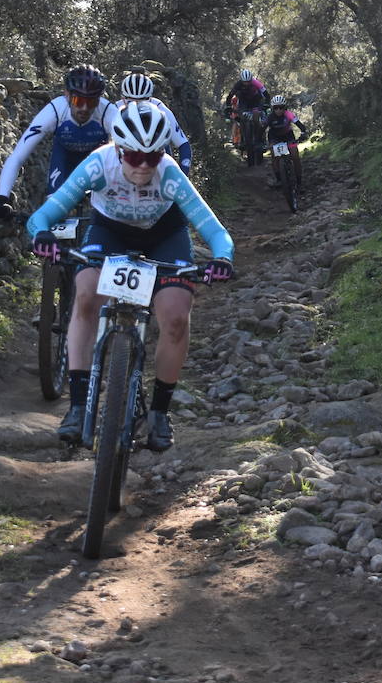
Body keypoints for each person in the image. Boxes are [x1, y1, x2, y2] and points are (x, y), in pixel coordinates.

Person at [27, 101, 235, 450]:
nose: (142, 166)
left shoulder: (169, 173)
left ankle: (158, 413)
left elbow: (216, 232)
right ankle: (77, 406)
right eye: (133, 156)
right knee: (87, 295)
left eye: (152, 157)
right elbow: (44, 215)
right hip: (110, 232)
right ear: (118, 149)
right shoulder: (99, 163)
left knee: (175, 316)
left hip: (164, 236)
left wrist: (222, 258)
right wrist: (43, 235)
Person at [0, 64, 115, 218]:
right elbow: (18, 156)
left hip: (97, 160)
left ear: (99, 100)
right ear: (67, 95)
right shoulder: (55, 110)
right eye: (78, 100)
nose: (84, 108)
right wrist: (2, 198)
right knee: (54, 210)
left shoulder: (108, 112)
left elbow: (129, 151)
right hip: (64, 158)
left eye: (91, 102)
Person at [117, 72, 194, 176]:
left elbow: (183, 145)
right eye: (131, 101)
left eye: (142, 101)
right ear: (123, 100)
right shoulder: (115, 110)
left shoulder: (160, 108)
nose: (137, 106)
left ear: (150, 99)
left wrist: (182, 177)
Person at [262, 95, 309, 190]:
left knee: (295, 156)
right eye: (276, 108)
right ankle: (279, 179)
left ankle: (299, 183)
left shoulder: (289, 114)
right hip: (274, 137)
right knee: (275, 157)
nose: (278, 110)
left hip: (288, 136)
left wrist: (303, 133)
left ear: (285, 107)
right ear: (272, 108)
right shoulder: (270, 117)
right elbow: (261, 129)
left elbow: (300, 125)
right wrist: (259, 141)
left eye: (281, 107)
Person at [222, 69, 269, 162]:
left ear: (251, 80)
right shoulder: (238, 84)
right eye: (245, 82)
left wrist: (266, 104)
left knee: (258, 118)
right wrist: (228, 105)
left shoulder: (256, 83)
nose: (247, 84)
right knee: (241, 117)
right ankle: (243, 140)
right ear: (241, 80)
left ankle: (262, 139)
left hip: (256, 102)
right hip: (244, 103)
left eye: (248, 82)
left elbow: (266, 94)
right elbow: (230, 96)